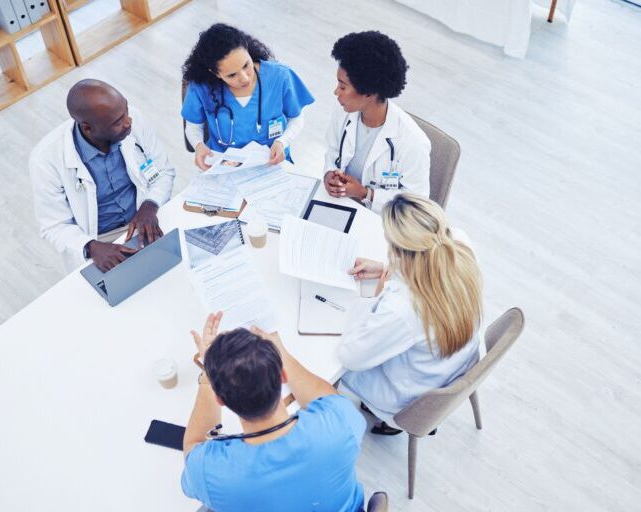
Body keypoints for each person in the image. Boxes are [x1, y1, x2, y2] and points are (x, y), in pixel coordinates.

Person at [182, 312, 366, 512]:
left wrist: (209, 375)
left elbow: (193, 445)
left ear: (220, 399)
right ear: (283, 375)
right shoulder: (340, 423)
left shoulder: (209, 472)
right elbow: (328, 398)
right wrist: (282, 354)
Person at [338, 193, 482, 434]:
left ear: (399, 252)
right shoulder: (459, 244)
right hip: (456, 365)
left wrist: (374, 296)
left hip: (413, 397)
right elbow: (429, 272)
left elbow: (350, 356)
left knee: (337, 368)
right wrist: (388, 270)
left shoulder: (404, 309)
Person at [29, 79, 175, 272]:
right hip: (99, 240)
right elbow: (53, 226)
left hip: (146, 217)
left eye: (126, 111)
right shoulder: (46, 159)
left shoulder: (131, 119)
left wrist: (150, 205)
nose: (128, 122)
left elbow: (164, 171)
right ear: (88, 128)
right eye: (117, 122)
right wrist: (92, 247)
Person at [181, 23, 314, 171]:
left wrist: (282, 141)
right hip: (224, 166)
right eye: (232, 75)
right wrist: (199, 145)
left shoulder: (279, 76)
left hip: (271, 161)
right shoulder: (201, 87)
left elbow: (296, 118)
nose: (244, 78)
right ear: (215, 73)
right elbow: (193, 126)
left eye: (246, 65)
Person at [324, 31, 431, 213]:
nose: (336, 92)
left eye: (342, 86)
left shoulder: (413, 142)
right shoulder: (344, 112)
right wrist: (329, 174)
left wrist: (366, 194)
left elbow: (416, 207)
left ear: (368, 93)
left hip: (383, 222)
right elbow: (333, 152)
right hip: (343, 205)